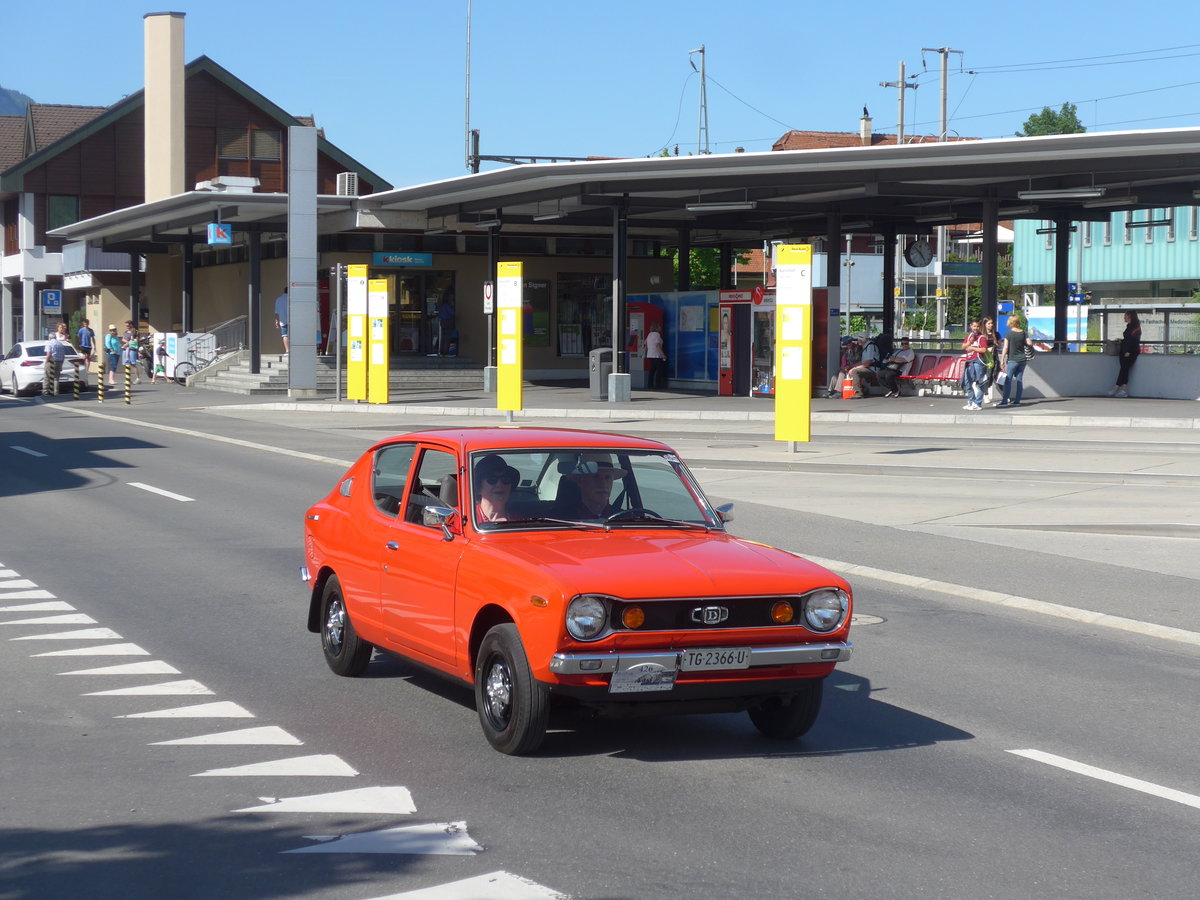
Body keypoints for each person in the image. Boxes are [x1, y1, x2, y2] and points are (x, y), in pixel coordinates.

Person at [553, 452, 627, 519]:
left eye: (607, 477)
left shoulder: (624, 519)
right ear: (580, 481)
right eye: (596, 477)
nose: (603, 484)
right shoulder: (560, 519)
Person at [473, 454, 524, 524]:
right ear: (478, 488)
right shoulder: (462, 518)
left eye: (505, 479)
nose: (499, 484)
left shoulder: (520, 522)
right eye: (492, 480)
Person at [997, 312, 1029, 408]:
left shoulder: (1009, 334)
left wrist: (1002, 359)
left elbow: (1005, 347)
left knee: (1008, 380)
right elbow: (1028, 343)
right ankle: (1017, 401)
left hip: (1012, 360)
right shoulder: (1023, 333)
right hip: (1022, 360)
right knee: (1019, 380)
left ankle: (1004, 400)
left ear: (1011, 322)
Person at [1107, 311, 1141, 398]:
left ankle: (1119, 388)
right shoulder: (1129, 326)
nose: (1124, 318)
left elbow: (1135, 340)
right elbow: (1127, 339)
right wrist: (1121, 341)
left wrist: (1129, 351)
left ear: (1130, 316)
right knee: (1124, 369)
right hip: (1123, 350)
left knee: (1124, 369)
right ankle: (1121, 388)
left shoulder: (1136, 327)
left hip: (1130, 352)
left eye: (1125, 316)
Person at [960, 320, 989, 411]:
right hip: (969, 361)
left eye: (977, 326)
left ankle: (978, 403)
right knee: (967, 383)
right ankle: (971, 401)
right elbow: (963, 347)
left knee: (979, 383)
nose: (975, 328)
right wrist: (970, 342)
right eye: (974, 326)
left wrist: (972, 348)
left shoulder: (982, 337)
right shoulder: (969, 337)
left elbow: (984, 350)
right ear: (970, 326)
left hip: (978, 361)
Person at [43, 323, 70, 395]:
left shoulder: (49, 343)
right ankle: (55, 391)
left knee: (47, 376)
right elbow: (63, 355)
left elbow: (48, 354)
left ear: (49, 338)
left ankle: (45, 390)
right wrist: (61, 363)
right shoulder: (60, 344)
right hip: (59, 361)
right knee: (56, 378)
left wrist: (46, 362)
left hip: (51, 361)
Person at [645, 323, 666, 390]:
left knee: (652, 371)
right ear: (657, 327)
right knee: (659, 371)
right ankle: (658, 385)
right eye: (659, 326)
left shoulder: (649, 334)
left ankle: (650, 384)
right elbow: (657, 345)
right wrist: (663, 355)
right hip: (656, 355)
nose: (660, 327)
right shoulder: (657, 334)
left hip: (650, 354)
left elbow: (645, 343)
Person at [274, 287, 289, 353]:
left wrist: (276, 321)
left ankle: (287, 350)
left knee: (285, 335)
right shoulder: (292, 299)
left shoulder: (278, 300)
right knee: (294, 335)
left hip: (283, 320)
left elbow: (276, 312)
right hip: (293, 321)